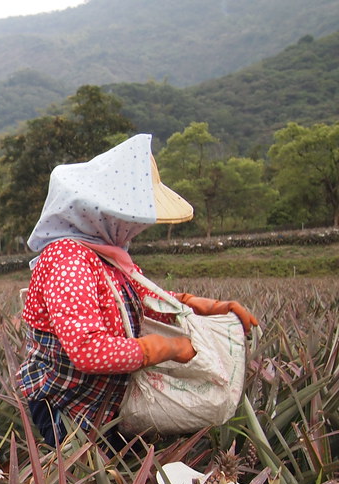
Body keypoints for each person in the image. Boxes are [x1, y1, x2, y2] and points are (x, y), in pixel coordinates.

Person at [17, 134, 258, 448]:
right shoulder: (67, 260)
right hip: (67, 407)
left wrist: (198, 305)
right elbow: (88, 351)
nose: (137, 228)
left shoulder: (105, 257)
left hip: (106, 404)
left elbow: (141, 301)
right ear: (106, 213)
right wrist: (163, 348)